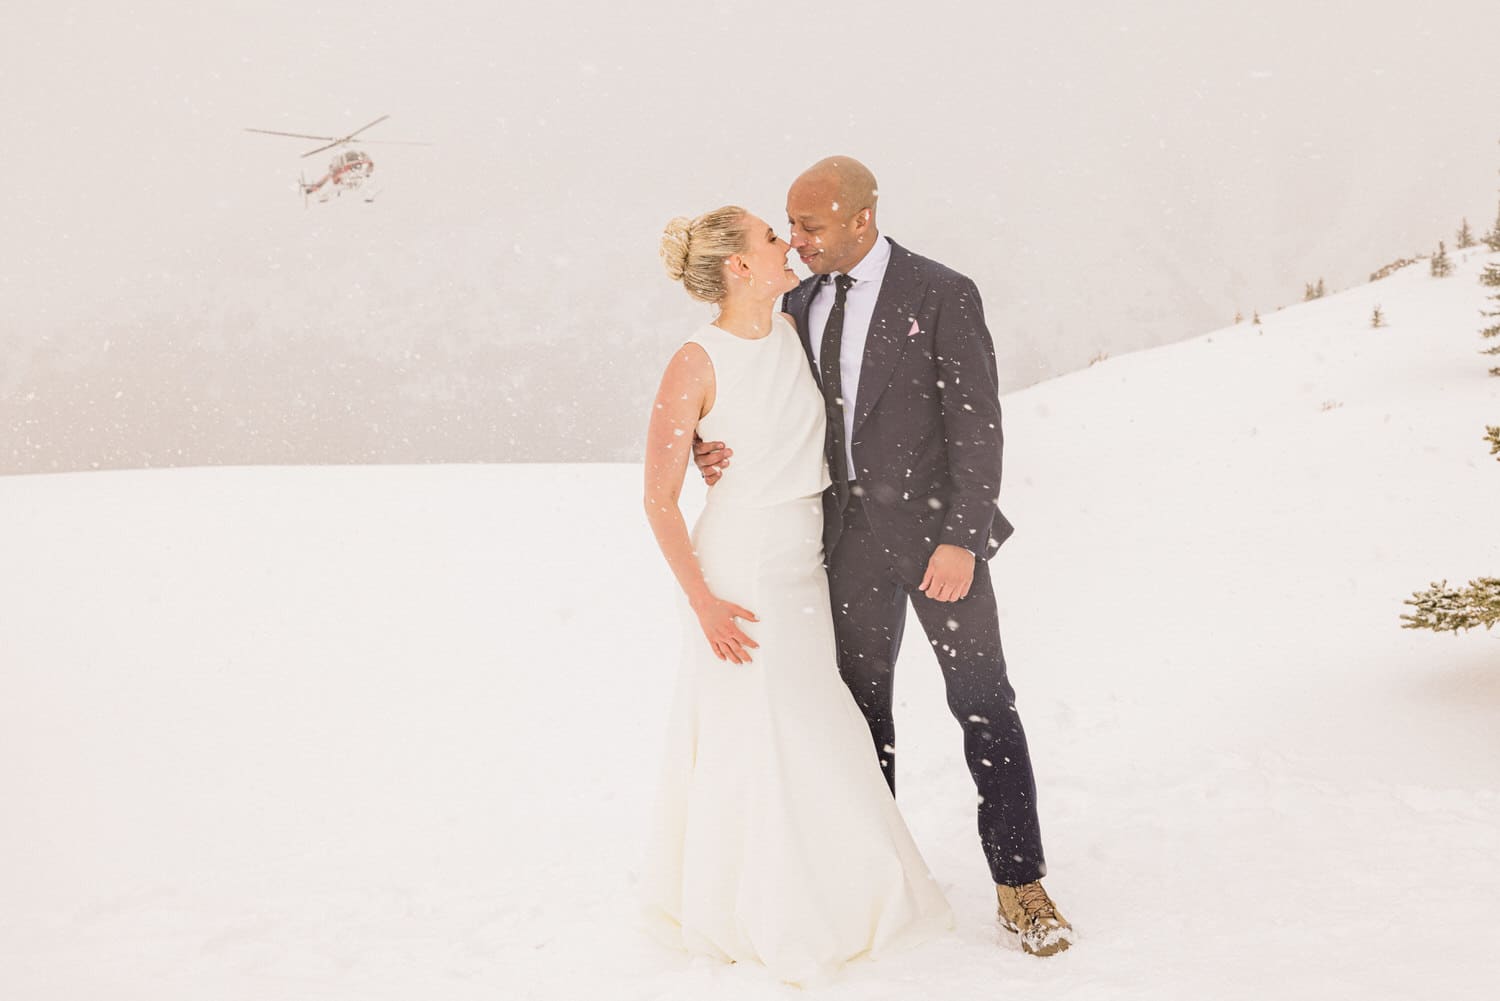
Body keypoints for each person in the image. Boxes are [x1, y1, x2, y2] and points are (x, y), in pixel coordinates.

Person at [693, 157, 1074, 957]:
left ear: (862, 219)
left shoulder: (942, 292)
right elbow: (750, 389)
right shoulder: (793, 303)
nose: (796, 241)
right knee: (858, 717)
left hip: (941, 540)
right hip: (839, 543)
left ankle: (1020, 882)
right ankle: (875, 885)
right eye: (788, 226)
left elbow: (978, 425)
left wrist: (963, 538)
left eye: (811, 227)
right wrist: (706, 446)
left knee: (984, 703)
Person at [640, 205, 953, 984]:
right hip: (739, 567)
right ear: (740, 267)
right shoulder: (694, 360)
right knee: (758, 729)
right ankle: (758, 904)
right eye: (772, 239)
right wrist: (704, 601)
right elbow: (657, 496)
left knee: (813, 721)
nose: (790, 245)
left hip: (803, 562)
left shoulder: (792, 329)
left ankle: (836, 884)